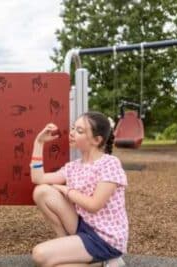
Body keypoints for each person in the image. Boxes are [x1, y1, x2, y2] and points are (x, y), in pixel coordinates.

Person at [30, 111, 127, 267]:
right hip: (82, 226)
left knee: (40, 256)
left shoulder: (110, 164)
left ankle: (106, 261)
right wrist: (39, 143)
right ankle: (79, 254)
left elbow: (94, 205)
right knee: (41, 191)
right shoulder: (73, 167)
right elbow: (38, 178)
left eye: (80, 131)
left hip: (105, 238)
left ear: (96, 140)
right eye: (73, 128)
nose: (72, 133)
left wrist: (66, 190)